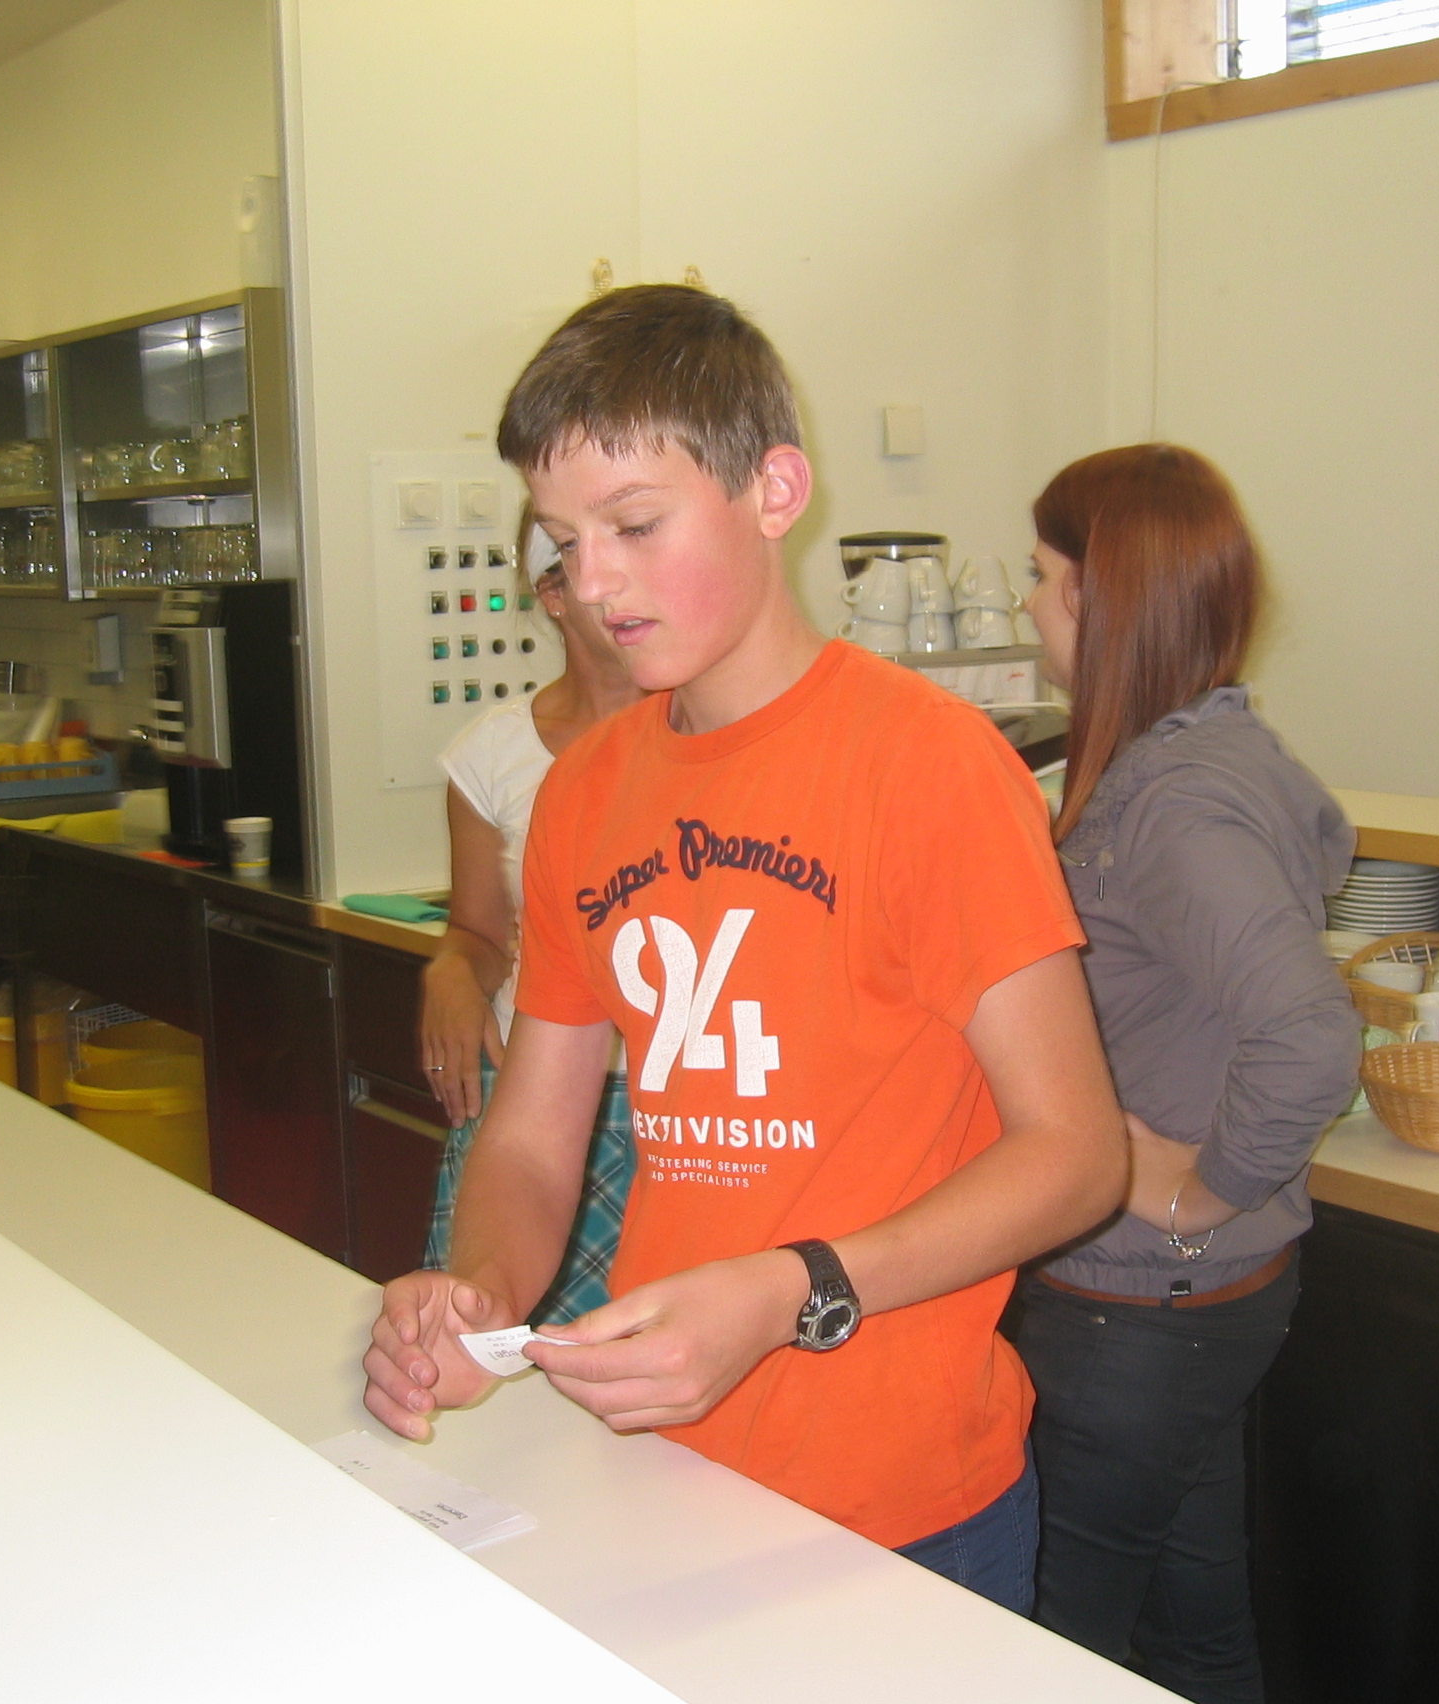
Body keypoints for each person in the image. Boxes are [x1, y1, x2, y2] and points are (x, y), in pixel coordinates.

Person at [362, 284, 1129, 1609]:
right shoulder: (585, 795)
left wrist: (795, 1291)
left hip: (903, 1509)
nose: (592, 583)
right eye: (562, 540)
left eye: (634, 525)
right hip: (665, 1469)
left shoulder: (929, 765)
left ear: (775, 490)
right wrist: (476, 1294)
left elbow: (1074, 1154)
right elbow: (533, 1140)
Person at [1006, 444, 1361, 1704]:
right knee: (1195, 1635)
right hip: (1188, 1307)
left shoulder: (1171, 804)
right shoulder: (1206, 754)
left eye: (1039, 577)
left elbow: (1308, 1034)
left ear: (1099, 600)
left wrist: (1190, 1190)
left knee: (1056, 1648)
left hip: (1138, 1307)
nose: (1028, 607)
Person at [415, 512, 643, 1321]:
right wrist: (450, 970)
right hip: (535, 1090)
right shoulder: (493, 755)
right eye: (584, 558)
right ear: (552, 593)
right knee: (496, 1328)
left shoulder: (710, 735)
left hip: (682, 1103)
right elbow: (479, 932)